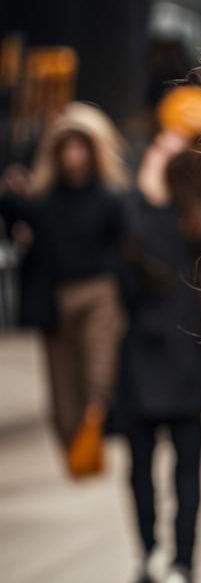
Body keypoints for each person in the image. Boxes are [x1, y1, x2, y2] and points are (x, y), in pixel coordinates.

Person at [111, 127, 201, 583]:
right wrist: (147, 191)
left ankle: (182, 565)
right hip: (138, 362)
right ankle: (150, 553)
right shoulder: (135, 214)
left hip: (188, 365)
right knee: (138, 471)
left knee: (187, 476)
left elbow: (191, 270)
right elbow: (131, 276)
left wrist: (157, 189)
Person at [0, 102, 130, 473]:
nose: (74, 155)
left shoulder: (109, 198)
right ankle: (79, 446)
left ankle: (99, 425)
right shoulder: (45, 200)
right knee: (62, 387)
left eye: (80, 145)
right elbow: (14, 211)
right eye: (66, 147)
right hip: (56, 299)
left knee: (98, 374)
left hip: (99, 293)